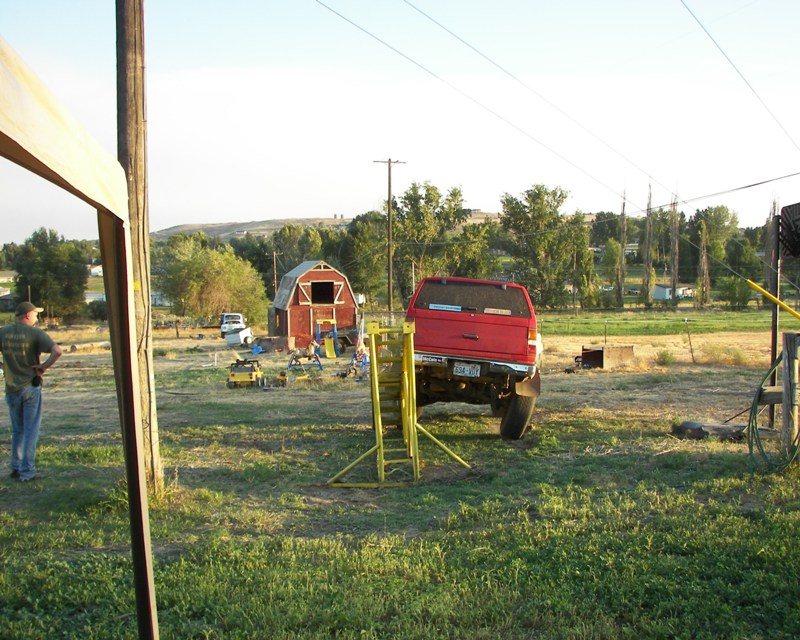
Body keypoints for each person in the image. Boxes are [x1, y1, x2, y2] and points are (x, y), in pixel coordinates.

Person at [0, 301, 62, 482]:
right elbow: (57, 351)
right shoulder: (35, 333)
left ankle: (16, 467)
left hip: (11, 388)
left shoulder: (3, 332)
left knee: (17, 430)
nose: (37, 317)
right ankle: (27, 471)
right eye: (35, 314)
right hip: (30, 386)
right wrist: (44, 366)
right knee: (30, 430)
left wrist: (4, 366)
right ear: (27, 315)